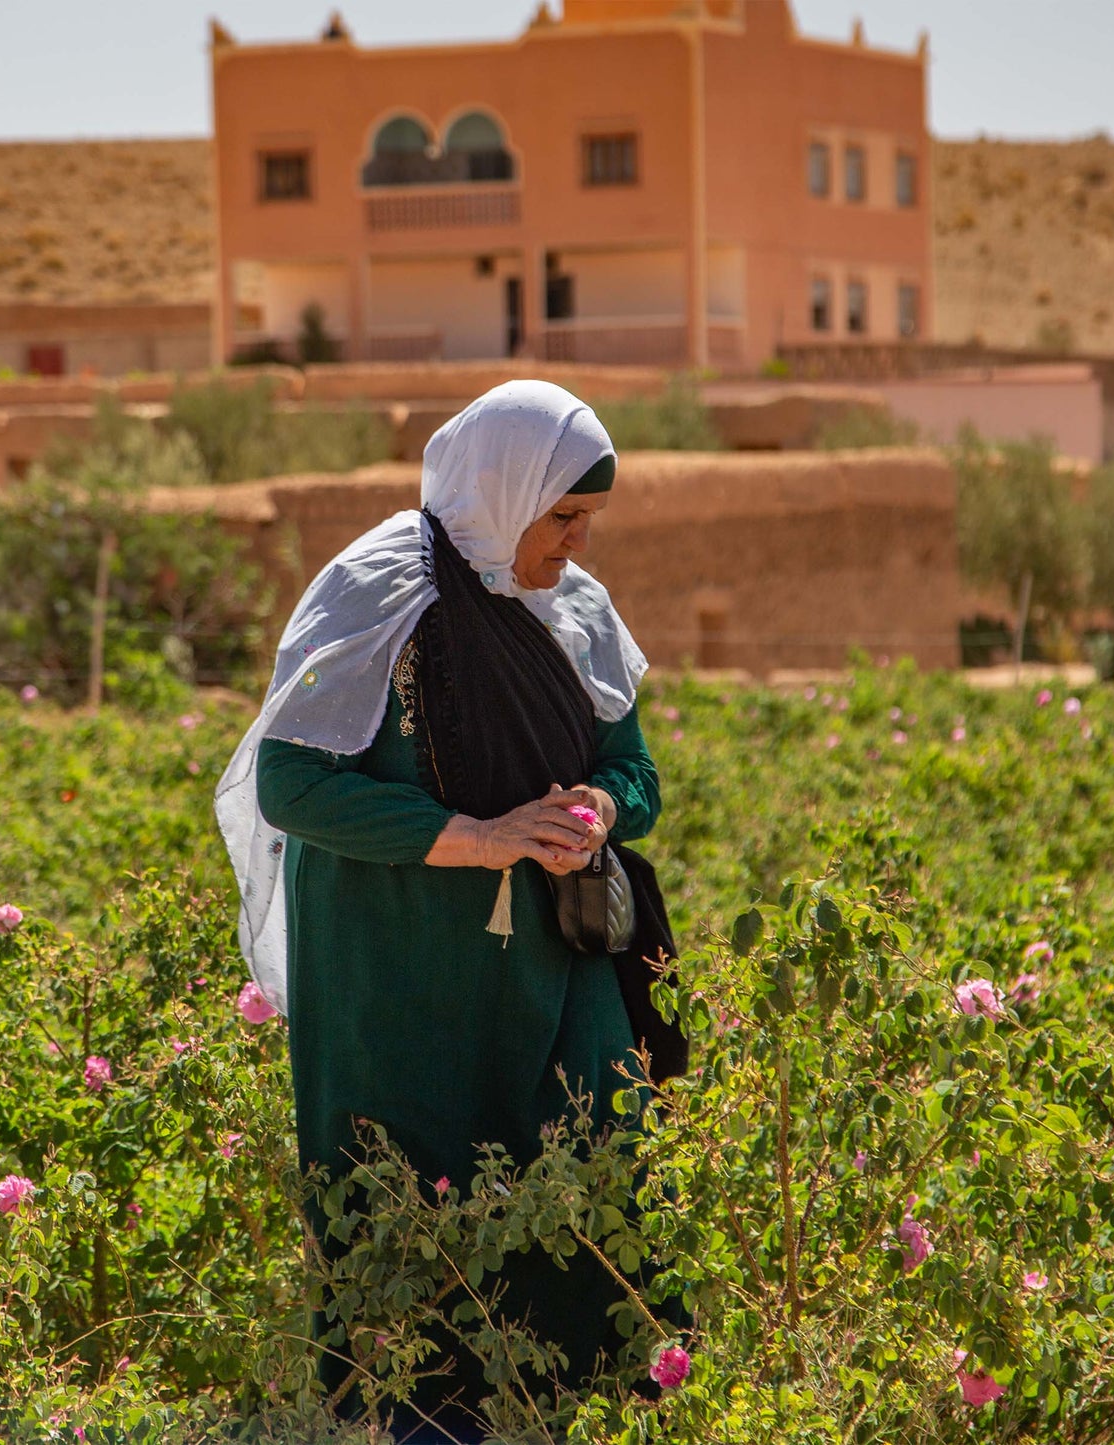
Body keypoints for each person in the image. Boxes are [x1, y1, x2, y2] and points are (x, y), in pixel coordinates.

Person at [214, 379, 666, 1441]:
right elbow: (293, 783)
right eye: (560, 515)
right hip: (393, 974)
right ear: (502, 493)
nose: (574, 539)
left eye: (584, 517)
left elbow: (635, 772)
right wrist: (481, 836)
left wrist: (597, 808)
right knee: (404, 1209)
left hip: (552, 969)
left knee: (585, 1172)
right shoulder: (375, 592)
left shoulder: (575, 610)